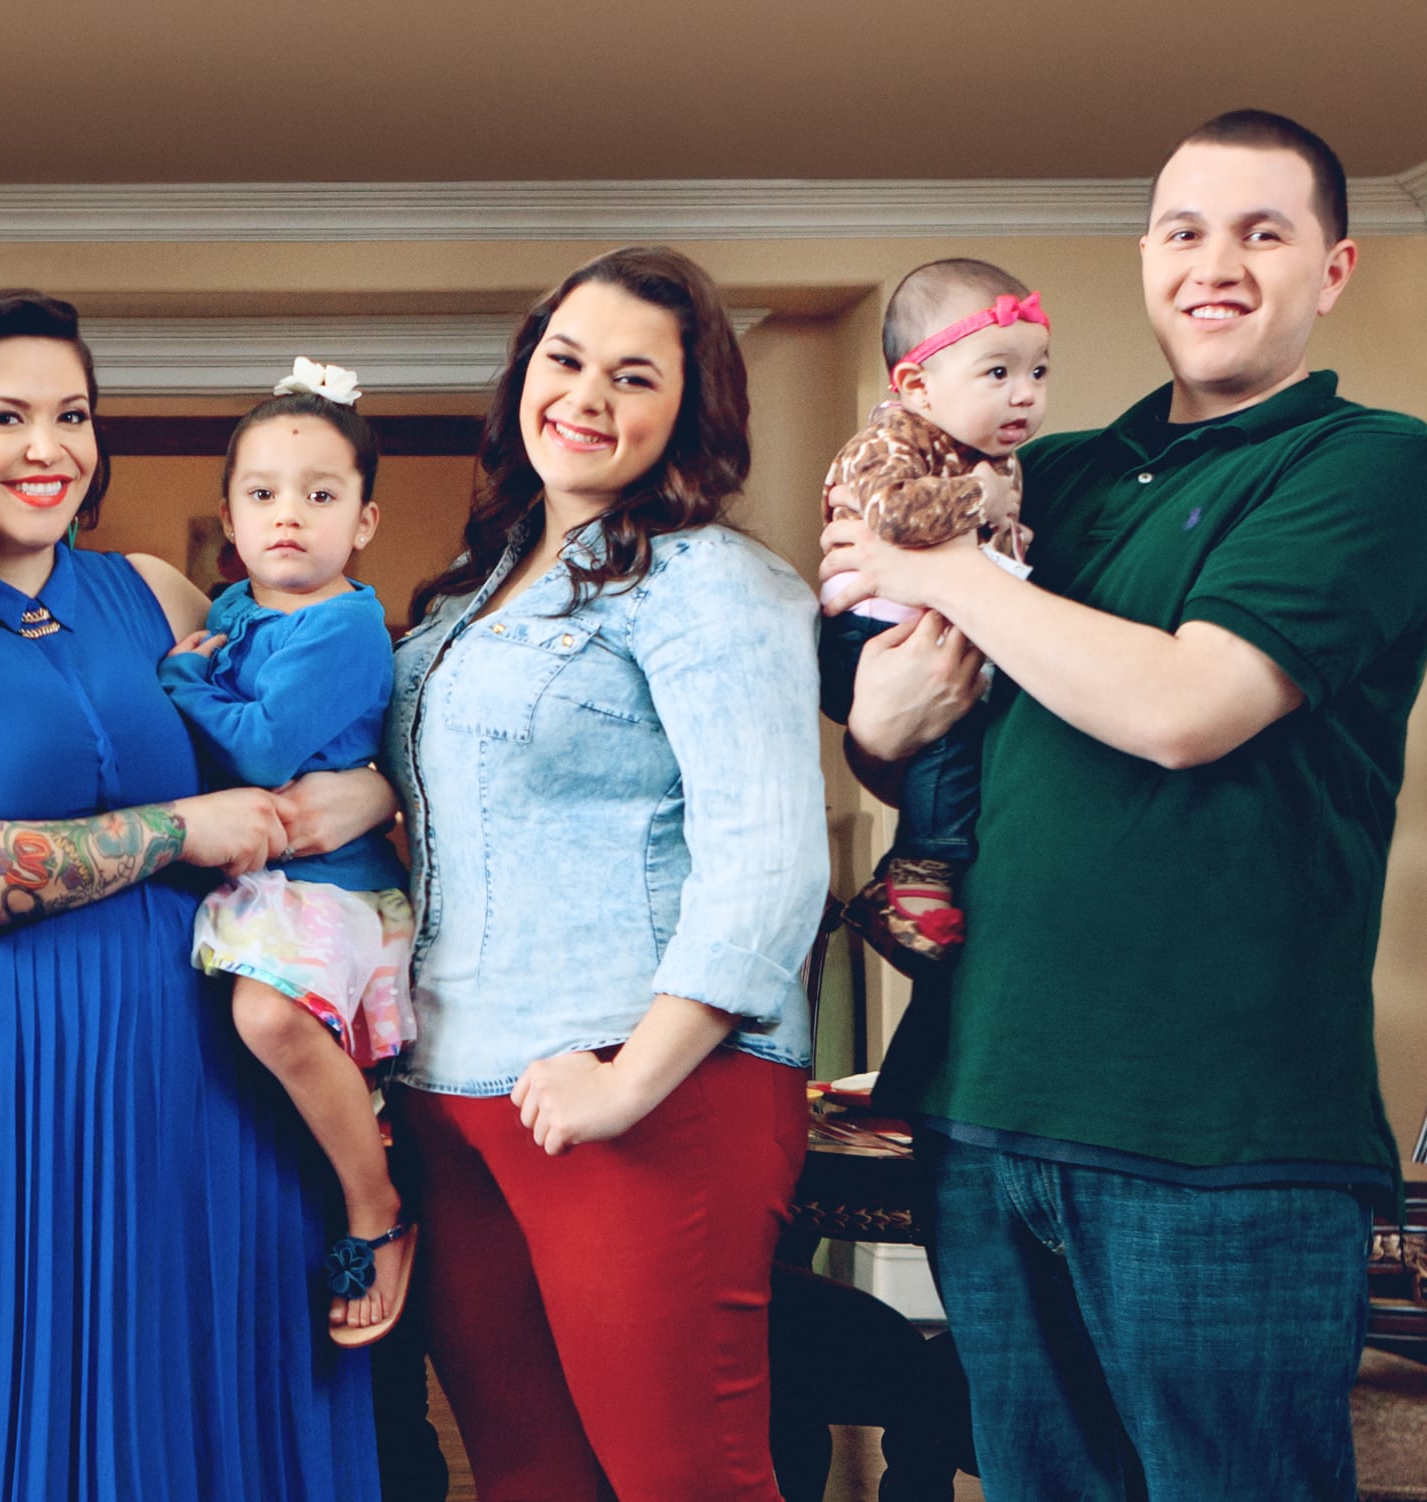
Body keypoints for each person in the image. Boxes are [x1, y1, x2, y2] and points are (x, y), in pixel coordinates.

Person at [830, 110, 1427, 1499]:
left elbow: (1187, 708)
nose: (1215, 264)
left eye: (1263, 232)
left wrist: (941, 570)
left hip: (1219, 1134)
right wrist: (879, 728)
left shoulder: (1370, 464)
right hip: (985, 1099)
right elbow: (926, 737)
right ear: (1147, 258)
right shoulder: (1043, 476)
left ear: (1333, 269)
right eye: (1185, 230)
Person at [0, 290, 379, 1500]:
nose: (49, 447)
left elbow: (314, 746)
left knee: (213, 1403)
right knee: (9, 1400)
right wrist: (183, 825)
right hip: (12, 1097)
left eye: (71, 414)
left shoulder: (158, 592)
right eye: (6, 416)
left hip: (215, 1086)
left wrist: (370, 792)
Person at [385, 246, 827, 1500]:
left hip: (647, 1083)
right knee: (528, 1477)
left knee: (690, 1479)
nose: (585, 395)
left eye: (634, 376)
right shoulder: (471, 592)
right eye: (565, 359)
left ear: (690, 411)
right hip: (454, 1083)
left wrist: (629, 1079)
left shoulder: (713, 582)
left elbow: (770, 861)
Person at [159, 357, 418, 1346]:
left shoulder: (345, 626)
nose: (289, 517)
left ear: (364, 520)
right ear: (230, 517)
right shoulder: (234, 610)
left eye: (320, 495)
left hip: (332, 886)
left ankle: (375, 1201)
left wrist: (182, 682)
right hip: (267, 882)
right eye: (262, 494)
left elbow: (262, 747)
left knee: (267, 1017)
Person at [816, 258, 1051, 965]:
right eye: (998, 373)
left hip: (924, 628)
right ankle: (916, 876)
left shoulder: (985, 455)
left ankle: (923, 873)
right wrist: (982, 501)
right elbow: (892, 513)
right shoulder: (890, 440)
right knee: (953, 737)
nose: (1025, 394)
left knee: (970, 741)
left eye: (1038, 372)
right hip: (872, 633)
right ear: (917, 386)